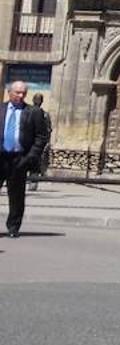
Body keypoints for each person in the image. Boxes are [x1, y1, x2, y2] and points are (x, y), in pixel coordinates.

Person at [1, 80, 52, 237]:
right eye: (17, 92)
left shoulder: (33, 112)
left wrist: (30, 157)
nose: (21, 96)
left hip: (19, 158)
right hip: (1, 157)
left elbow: (41, 136)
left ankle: (13, 227)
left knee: (16, 196)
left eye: (23, 93)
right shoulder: (1, 109)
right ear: (9, 92)